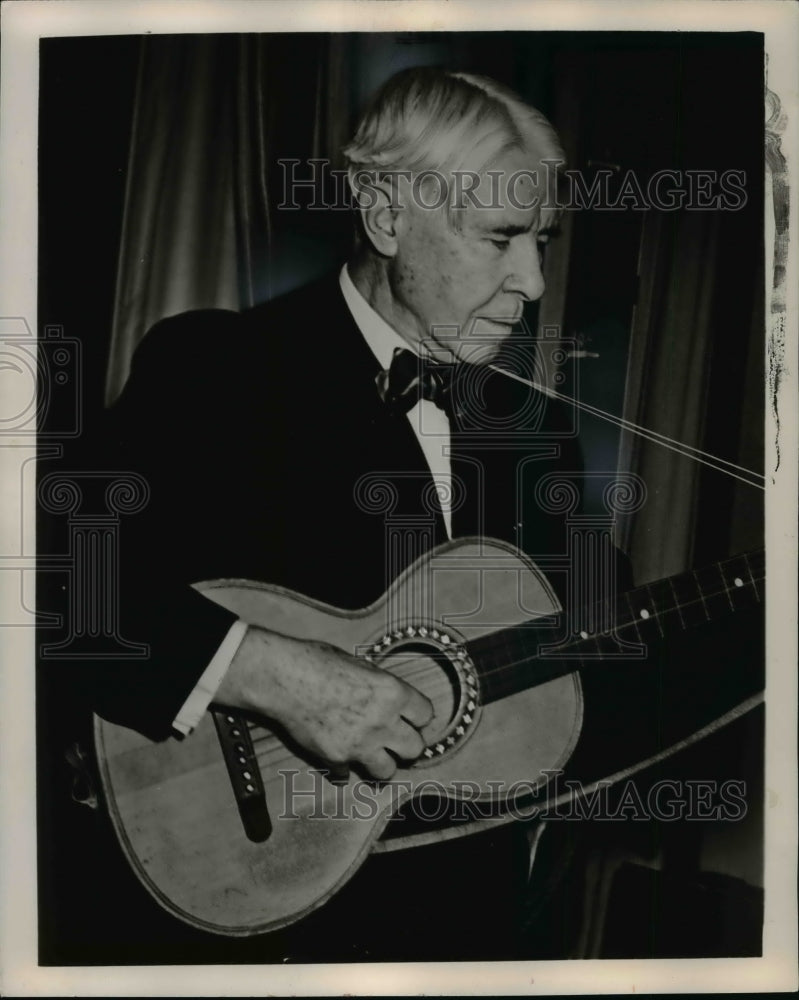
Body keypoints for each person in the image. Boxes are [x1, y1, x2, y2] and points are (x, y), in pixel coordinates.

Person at [53, 67, 604, 964]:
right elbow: (55, 576)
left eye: (541, 238)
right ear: (386, 216)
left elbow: (606, 662)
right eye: (501, 237)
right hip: (242, 933)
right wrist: (267, 673)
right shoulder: (219, 368)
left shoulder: (533, 431)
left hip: (463, 939)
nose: (533, 281)